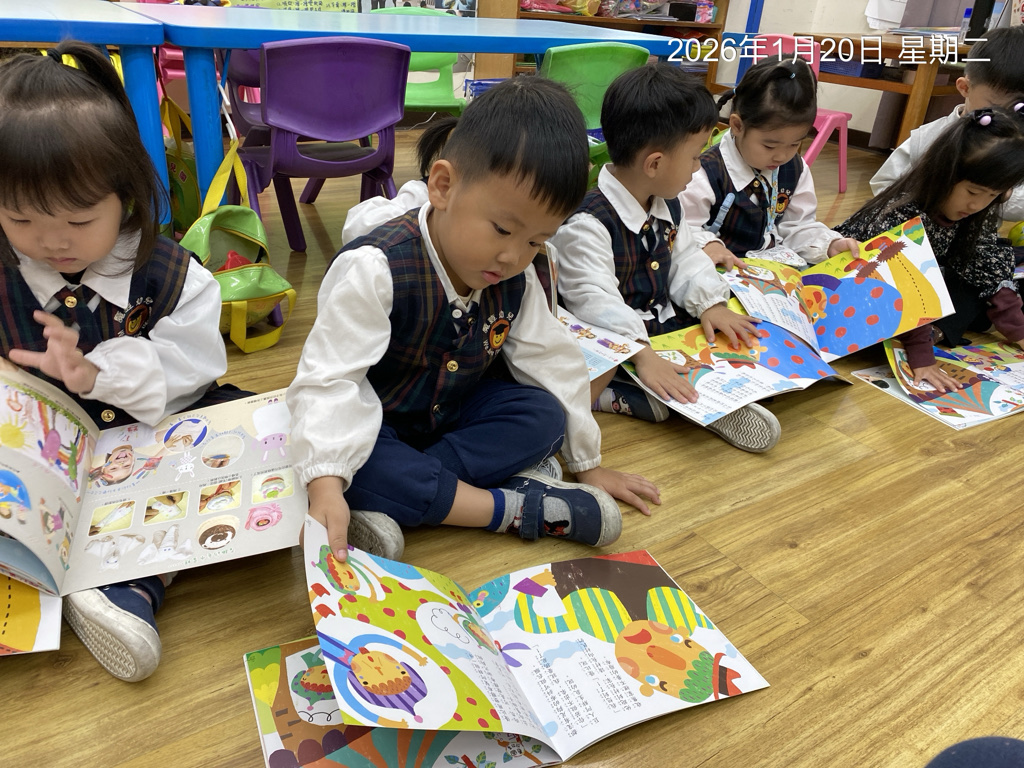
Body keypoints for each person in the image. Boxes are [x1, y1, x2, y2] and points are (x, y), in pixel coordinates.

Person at [287, 77, 661, 565]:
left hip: (454, 413)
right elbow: (330, 382)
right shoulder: (376, 267)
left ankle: (406, 499)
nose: (513, 256)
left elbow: (553, 361)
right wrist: (325, 485)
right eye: (502, 229)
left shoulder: (517, 277)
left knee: (544, 415)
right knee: (342, 464)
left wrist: (587, 464)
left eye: (536, 241)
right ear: (443, 186)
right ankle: (506, 507)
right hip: (379, 421)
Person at [0, 41, 237, 682]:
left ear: (126, 197)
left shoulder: (167, 271)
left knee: (255, 437)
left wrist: (98, 373)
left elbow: (195, 363)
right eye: (19, 218)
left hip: (154, 424)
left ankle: (130, 583)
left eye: (80, 220)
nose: (53, 241)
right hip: (46, 450)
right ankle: (115, 587)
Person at [550, 63, 780, 452]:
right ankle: (627, 395)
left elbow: (686, 258)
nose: (698, 167)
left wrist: (710, 303)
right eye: (695, 157)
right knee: (640, 375)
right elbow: (594, 301)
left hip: (662, 326)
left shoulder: (667, 204)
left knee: (730, 336)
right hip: (616, 339)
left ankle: (694, 393)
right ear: (655, 164)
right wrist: (641, 354)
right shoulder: (588, 222)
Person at [836, 105, 1024, 393]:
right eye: (973, 192)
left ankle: (926, 332)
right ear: (944, 173)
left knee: (989, 274)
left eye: (993, 195)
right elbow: (902, 289)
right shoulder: (901, 214)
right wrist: (922, 357)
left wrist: (1019, 333)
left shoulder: (976, 211)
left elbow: (987, 265)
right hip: (864, 291)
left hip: (923, 283)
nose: (977, 204)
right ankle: (921, 336)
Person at [679, 55, 859, 271]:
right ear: (737, 125)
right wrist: (709, 245)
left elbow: (798, 226)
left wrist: (828, 244)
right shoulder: (705, 172)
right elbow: (682, 228)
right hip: (720, 272)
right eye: (770, 146)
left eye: (794, 144)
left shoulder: (795, 170)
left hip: (772, 271)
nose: (782, 156)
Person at [870, 26, 1024, 224]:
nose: (1007, 118)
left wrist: (1002, 195)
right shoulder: (930, 138)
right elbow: (884, 184)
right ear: (965, 87)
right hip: (920, 232)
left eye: (1019, 110)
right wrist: (925, 198)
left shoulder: (1017, 143)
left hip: (976, 237)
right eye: (995, 107)